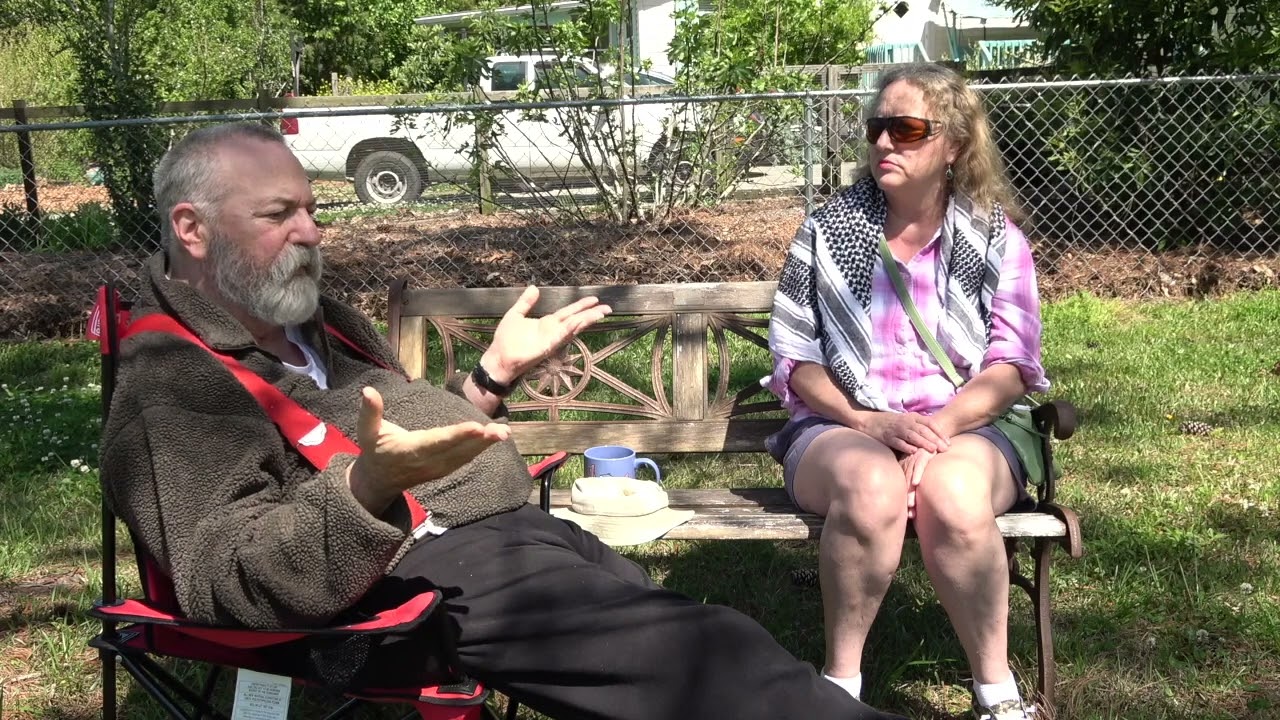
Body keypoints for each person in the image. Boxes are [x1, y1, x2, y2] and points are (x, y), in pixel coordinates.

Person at [100, 122, 910, 720]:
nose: (312, 234)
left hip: (499, 531)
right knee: (710, 665)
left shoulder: (318, 320)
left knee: (689, 636)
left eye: (312, 210)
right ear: (192, 229)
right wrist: (365, 491)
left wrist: (491, 377)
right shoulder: (171, 382)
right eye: (280, 215)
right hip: (417, 581)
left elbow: (398, 434)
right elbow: (220, 578)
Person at [765, 63, 1049, 720]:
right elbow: (797, 360)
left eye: (907, 128)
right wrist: (868, 424)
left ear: (953, 143)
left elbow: (1011, 366)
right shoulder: (825, 231)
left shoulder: (997, 239)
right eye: (877, 128)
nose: (885, 143)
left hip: (967, 425)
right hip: (841, 423)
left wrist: (940, 429)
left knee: (954, 493)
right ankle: (839, 691)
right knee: (870, 487)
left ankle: (996, 693)